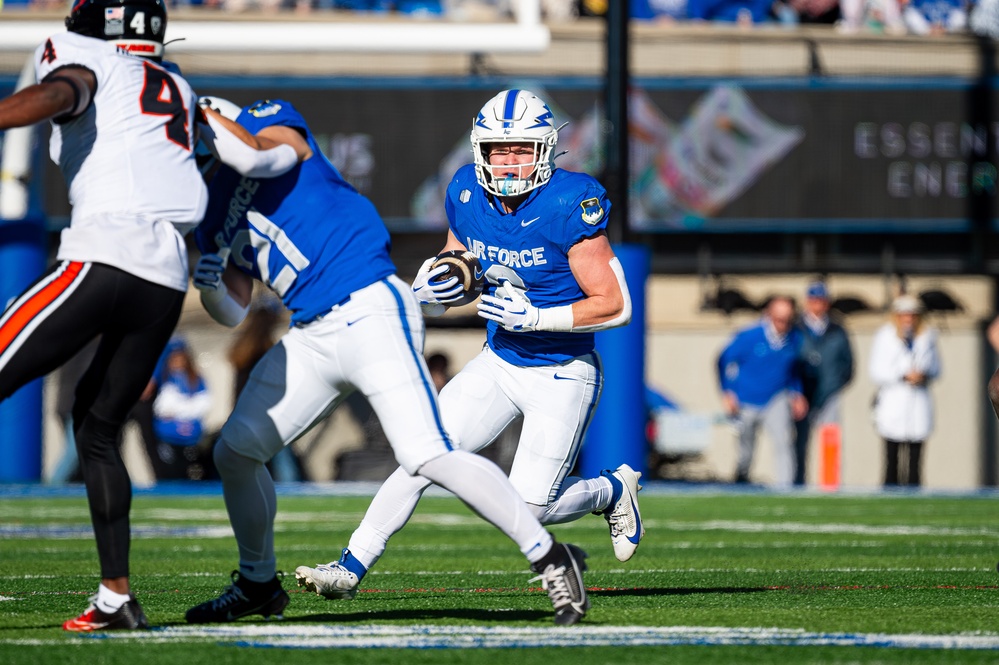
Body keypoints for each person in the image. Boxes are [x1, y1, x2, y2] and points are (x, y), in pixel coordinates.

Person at [184, 95, 592, 626]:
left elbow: (258, 158)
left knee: (426, 454)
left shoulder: (265, 123)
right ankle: (259, 582)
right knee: (236, 451)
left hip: (369, 305)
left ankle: (551, 557)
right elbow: (234, 309)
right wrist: (209, 280)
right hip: (310, 329)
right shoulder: (205, 206)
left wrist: (194, 107)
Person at [293, 88, 643, 606]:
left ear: (545, 150)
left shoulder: (571, 202)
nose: (508, 162)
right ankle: (348, 567)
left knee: (529, 508)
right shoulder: (464, 192)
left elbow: (615, 304)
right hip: (499, 362)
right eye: (499, 150)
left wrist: (539, 316)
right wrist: (430, 288)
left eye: (521, 150)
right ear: (481, 150)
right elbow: (458, 262)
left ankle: (610, 490)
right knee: (419, 457)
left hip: (562, 370)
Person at [0, 0, 207, 632]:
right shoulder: (180, 86)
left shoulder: (96, 63)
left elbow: (64, 91)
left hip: (105, 252)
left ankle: (117, 595)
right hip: (165, 276)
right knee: (96, 431)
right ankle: (116, 596)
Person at [717, 295, 808, 487]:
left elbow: (792, 370)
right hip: (747, 399)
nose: (783, 324)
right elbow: (723, 360)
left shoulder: (795, 337)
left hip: (776, 398)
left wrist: (797, 393)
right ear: (769, 315)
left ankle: (786, 487)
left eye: (787, 319)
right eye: (779, 319)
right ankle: (741, 480)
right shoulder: (750, 336)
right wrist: (727, 392)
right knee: (745, 449)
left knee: (784, 441)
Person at [869, 294, 941, 487]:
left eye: (912, 315)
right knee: (891, 459)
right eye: (903, 315)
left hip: (918, 401)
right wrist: (902, 375)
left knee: (915, 462)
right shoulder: (885, 336)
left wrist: (922, 375)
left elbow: (936, 368)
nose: (908, 319)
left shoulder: (927, 336)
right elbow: (876, 370)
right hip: (894, 402)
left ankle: (915, 497)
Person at [793, 281, 854, 486]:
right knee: (799, 441)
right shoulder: (796, 328)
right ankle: (797, 482)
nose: (817, 304)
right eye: (813, 300)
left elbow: (848, 363)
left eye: (821, 300)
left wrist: (835, 384)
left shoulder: (837, 329)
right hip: (802, 393)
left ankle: (830, 485)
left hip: (829, 392)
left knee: (830, 439)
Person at [149, 336, 213, 480]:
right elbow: (162, 408)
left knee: (192, 472)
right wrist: (185, 406)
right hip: (168, 437)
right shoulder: (165, 379)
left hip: (191, 437)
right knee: (171, 472)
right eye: (173, 357)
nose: (177, 361)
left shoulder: (196, 378)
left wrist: (181, 409)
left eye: (180, 356)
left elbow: (203, 404)